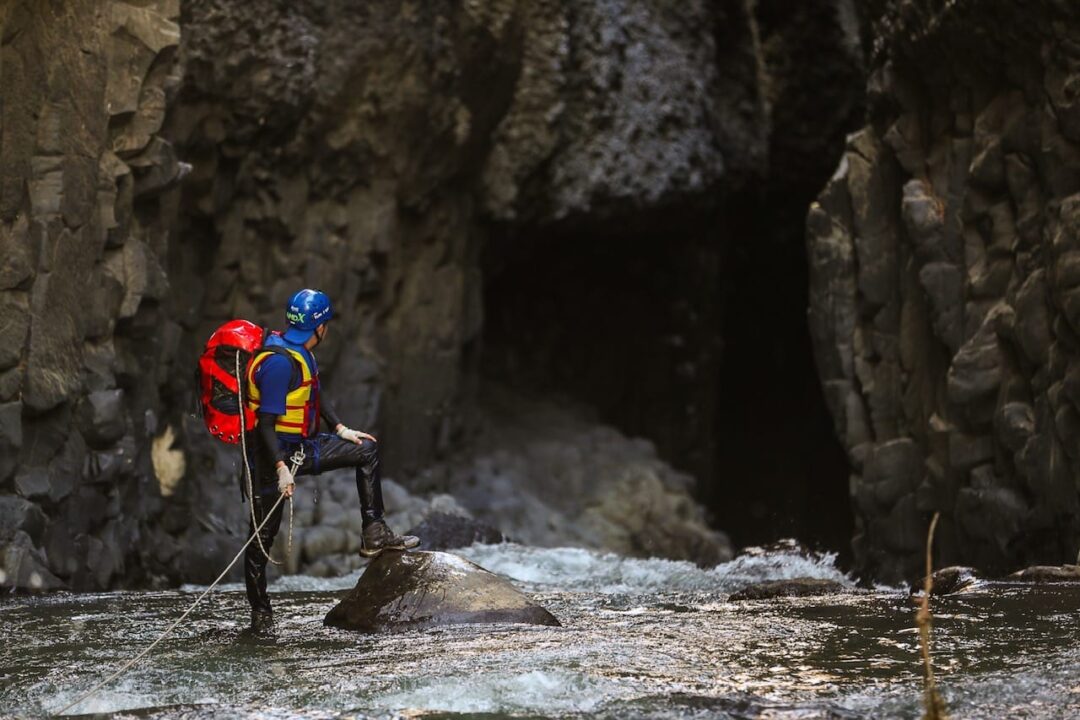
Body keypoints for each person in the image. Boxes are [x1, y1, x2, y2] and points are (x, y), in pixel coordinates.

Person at [243, 288, 419, 631]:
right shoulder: (280, 364)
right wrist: (281, 470)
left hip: (303, 446)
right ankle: (261, 614)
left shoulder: (297, 351)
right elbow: (265, 423)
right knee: (261, 538)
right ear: (318, 327)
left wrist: (340, 429)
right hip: (274, 457)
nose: (327, 330)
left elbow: (314, 395)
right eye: (326, 324)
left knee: (365, 448)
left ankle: (374, 532)